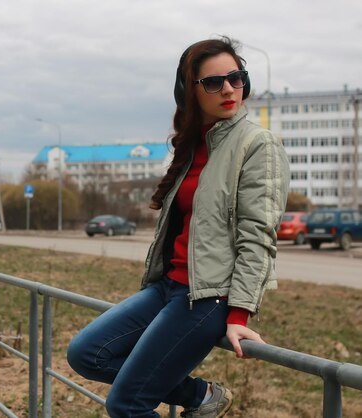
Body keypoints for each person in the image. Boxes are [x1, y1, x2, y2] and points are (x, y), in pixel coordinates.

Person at [67, 37, 290, 418]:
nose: (228, 89)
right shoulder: (194, 145)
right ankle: (202, 396)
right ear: (190, 91)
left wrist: (238, 316)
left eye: (236, 78)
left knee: (127, 403)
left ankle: (194, 396)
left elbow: (257, 237)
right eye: (213, 82)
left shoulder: (257, 145)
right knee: (87, 353)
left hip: (208, 297)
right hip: (169, 286)